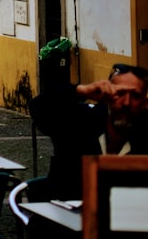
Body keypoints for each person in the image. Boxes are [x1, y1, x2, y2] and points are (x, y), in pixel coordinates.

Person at [30, 62, 148, 199]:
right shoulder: (79, 124)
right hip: (67, 214)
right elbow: (39, 107)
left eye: (136, 96)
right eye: (120, 93)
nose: (126, 102)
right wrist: (80, 91)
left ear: (144, 103)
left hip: (128, 216)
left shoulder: (144, 133)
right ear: (107, 96)